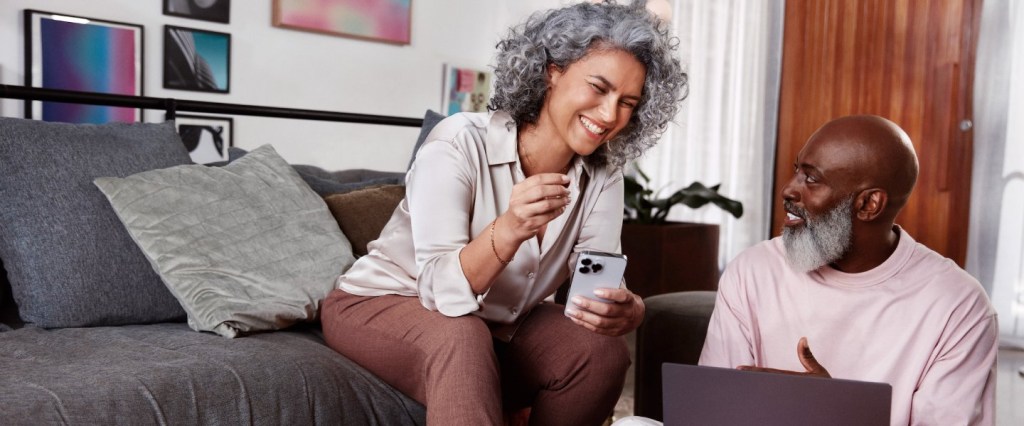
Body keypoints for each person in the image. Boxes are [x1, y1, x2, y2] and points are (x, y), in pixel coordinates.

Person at [320, 1, 687, 424]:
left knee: (599, 352)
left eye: (627, 102)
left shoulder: (603, 175)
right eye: (599, 88)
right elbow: (442, 292)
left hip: (498, 321)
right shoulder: (458, 142)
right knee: (461, 335)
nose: (609, 115)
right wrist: (510, 228)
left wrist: (627, 309)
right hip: (382, 302)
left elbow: (595, 281)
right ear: (553, 71)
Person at [698, 115, 998, 425]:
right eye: (797, 170)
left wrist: (837, 412)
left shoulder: (960, 307)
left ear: (869, 204)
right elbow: (713, 413)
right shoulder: (753, 271)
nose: (788, 189)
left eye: (812, 179)